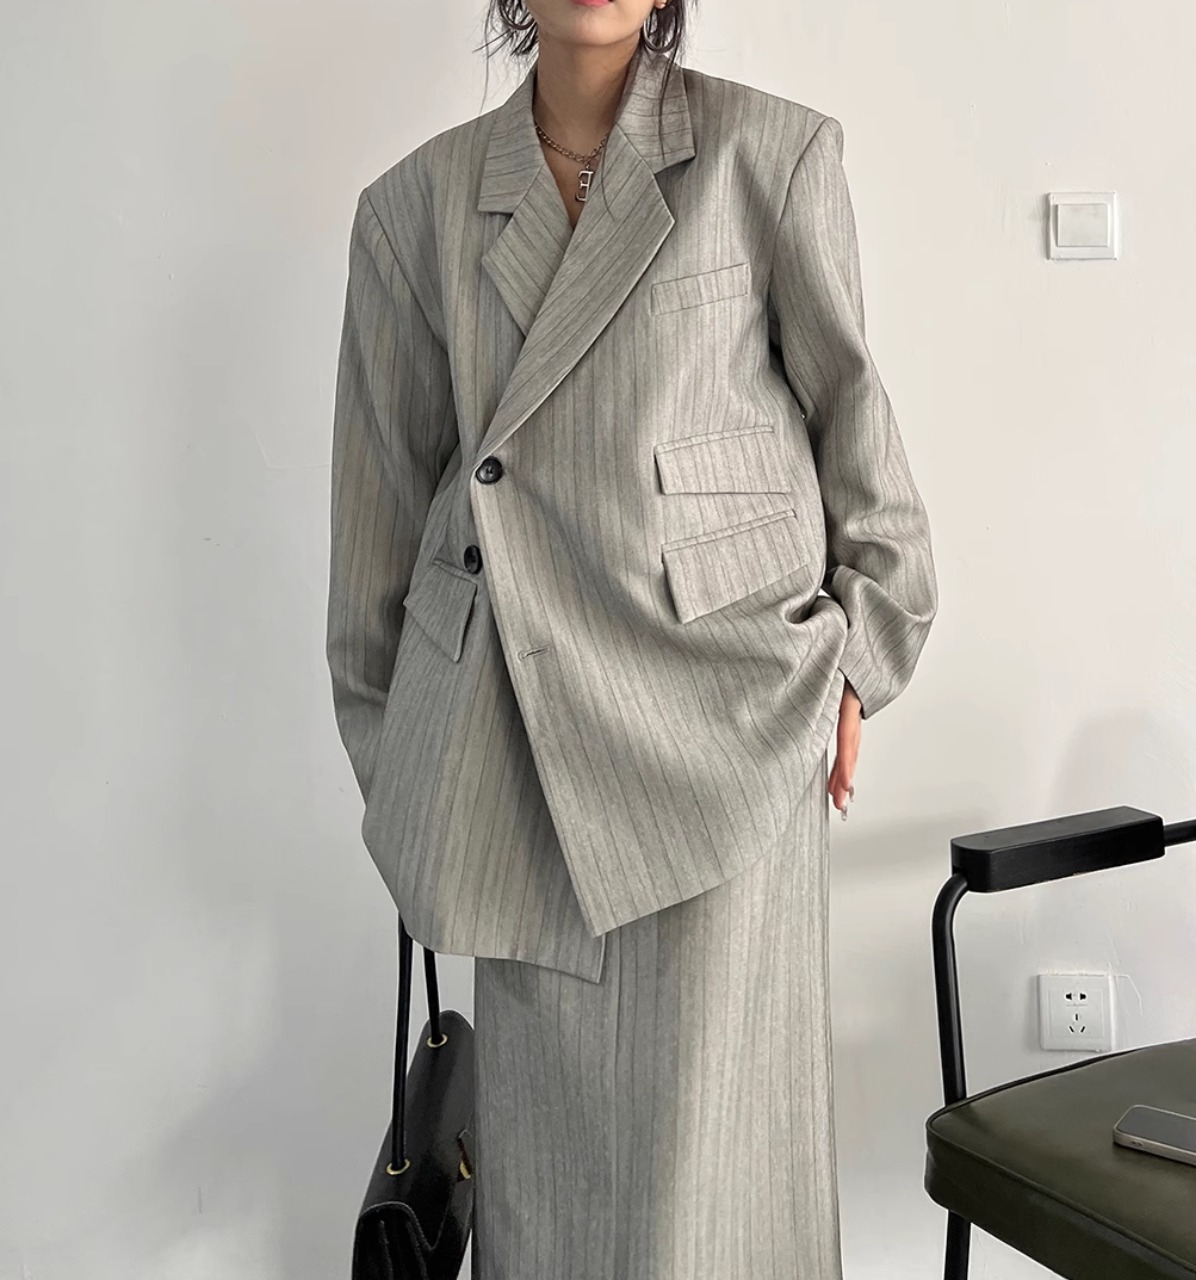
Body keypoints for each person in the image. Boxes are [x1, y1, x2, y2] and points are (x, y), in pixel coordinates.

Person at [326, 1, 938, 1274]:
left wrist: (853, 662)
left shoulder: (765, 155)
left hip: (727, 739)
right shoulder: (415, 209)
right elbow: (374, 542)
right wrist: (416, 779)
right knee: (551, 1190)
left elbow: (858, 444)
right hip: (521, 752)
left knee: (717, 1189)